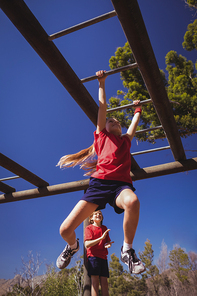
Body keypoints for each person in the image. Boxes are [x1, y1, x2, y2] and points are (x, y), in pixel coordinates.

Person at [56, 70, 146, 275]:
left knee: (132, 201)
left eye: (118, 122)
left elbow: (133, 125)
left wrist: (138, 110)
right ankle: (72, 247)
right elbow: (103, 107)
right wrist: (101, 83)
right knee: (64, 230)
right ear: (103, 127)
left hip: (120, 186)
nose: (115, 122)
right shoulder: (101, 136)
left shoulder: (125, 141)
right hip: (98, 185)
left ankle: (127, 250)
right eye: (111, 121)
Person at [84, 210, 113, 296]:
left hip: (103, 257)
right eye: (95, 214)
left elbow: (107, 241)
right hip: (93, 257)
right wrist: (101, 238)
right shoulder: (88, 228)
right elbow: (87, 244)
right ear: (91, 218)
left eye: (100, 213)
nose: (98, 214)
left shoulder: (104, 228)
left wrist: (108, 245)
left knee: (105, 283)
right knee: (95, 283)